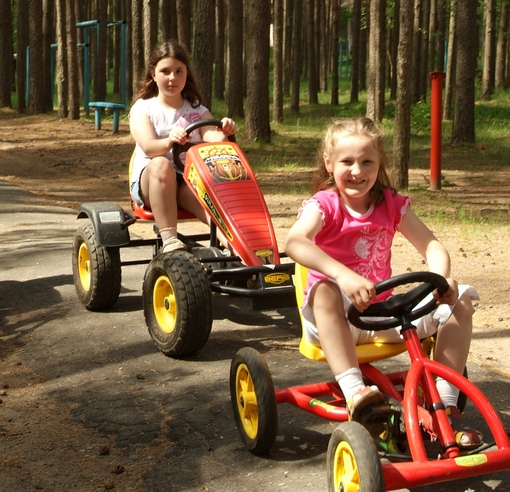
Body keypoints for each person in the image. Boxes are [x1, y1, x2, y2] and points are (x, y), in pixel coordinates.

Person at [284, 117, 482, 449]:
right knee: (325, 290)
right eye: (347, 162)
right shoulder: (325, 204)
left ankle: (446, 405)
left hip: (384, 315)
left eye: (367, 162)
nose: (357, 171)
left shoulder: (390, 204)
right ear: (329, 163)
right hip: (337, 322)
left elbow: (432, 246)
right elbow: (295, 242)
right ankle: (355, 393)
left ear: (379, 164)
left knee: (459, 299)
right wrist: (343, 275)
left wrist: (441, 278)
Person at [129, 40, 236, 253]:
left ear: (187, 74)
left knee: (208, 197)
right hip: (152, 182)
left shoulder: (197, 110)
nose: (173, 78)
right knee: (161, 164)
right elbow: (149, 147)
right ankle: (170, 240)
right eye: (165, 71)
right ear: (153, 74)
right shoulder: (144, 108)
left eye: (179, 71)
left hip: (188, 181)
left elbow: (215, 140)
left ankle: (237, 249)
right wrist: (169, 141)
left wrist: (225, 129)